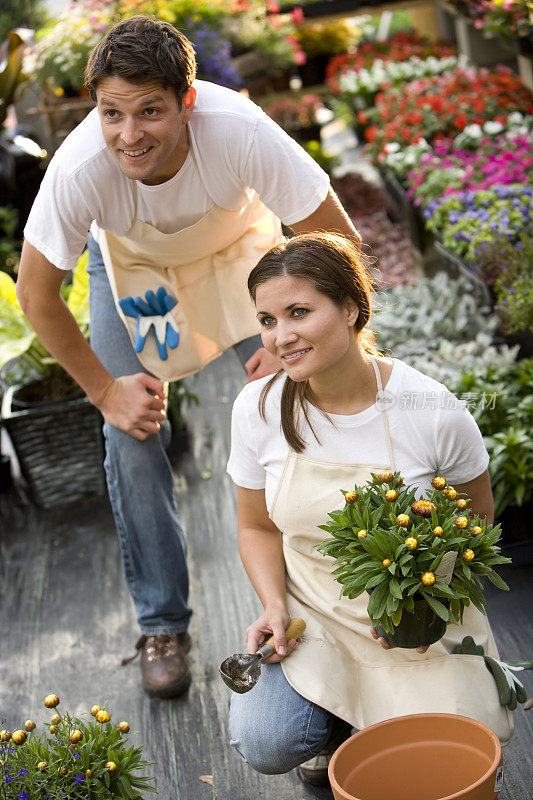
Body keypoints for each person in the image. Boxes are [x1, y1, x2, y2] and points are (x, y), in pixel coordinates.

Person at [16, 16, 362, 699]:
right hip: (139, 272)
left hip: (241, 255)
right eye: (111, 113)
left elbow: (334, 238)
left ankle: (331, 597)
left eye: (149, 111)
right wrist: (104, 391)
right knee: (130, 430)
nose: (129, 134)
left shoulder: (238, 129)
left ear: (188, 101)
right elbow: (36, 293)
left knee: (312, 399)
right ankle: (162, 623)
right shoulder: (82, 167)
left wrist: (308, 342)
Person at [226, 232, 513, 785]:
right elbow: (256, 526)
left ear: (351, 307)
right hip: (314, 617)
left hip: (415, 620)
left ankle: (366, 719)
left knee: (449, 762)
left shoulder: (429, 409)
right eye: (266, 320)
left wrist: (431, 600)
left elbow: (478, 523)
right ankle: (333, 725)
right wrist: (273, 605)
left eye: (299, 312)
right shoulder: (258, 409)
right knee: (265, 739)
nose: (280, 337)